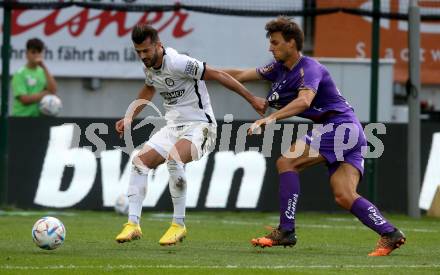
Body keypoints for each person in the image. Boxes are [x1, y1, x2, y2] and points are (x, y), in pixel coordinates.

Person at [224, 16, 405, 256]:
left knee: (287, 161)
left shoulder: (309, 68)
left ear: (291, 43)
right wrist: (205, 72)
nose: (271, 47)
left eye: (276, 42)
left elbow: (305, 100)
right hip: (351, 131)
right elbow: (240, 74)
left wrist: (271, 118)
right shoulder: (277, 69)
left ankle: (286, 230)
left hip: (340, 127)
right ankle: (390, 233)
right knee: (344, 195)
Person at [114, 23, 267, 245]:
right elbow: (149, 88)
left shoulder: (179, 63)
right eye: (138, 52)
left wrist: (252, 98)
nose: (143, 56)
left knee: (174, 160)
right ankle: (133, 224)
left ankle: (178, 225)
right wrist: (129, 116)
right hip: (173, 127)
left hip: (200, 126)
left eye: (146, 51)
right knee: (139, 162)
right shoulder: (148, 66)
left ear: (159, 45)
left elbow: (218, 74)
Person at [11, 38, 57, 117]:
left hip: (39, 118)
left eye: (39, 52)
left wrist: (43, 66)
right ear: (27, 54)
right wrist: (44, 94)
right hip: (21, 117)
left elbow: (53, 90)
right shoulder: (20, 74)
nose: (36, 55)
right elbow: (24, 100)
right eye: (33, 52)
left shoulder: (43, 72)